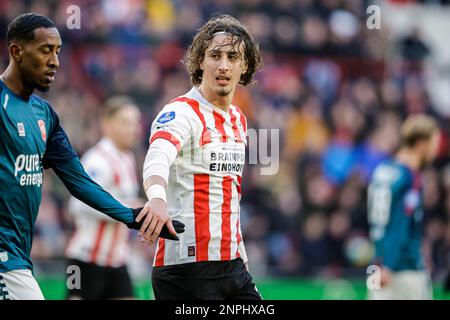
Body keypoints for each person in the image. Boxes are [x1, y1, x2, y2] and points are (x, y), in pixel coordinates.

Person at [0, 13, 182, 300]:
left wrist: (134, 217)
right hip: (43, 260)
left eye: (58, 52)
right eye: (46, 50)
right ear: (16, 51)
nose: (55, 62)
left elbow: (79, 183)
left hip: (25, 257)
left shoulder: (44, 115)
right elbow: (78, 205)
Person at [136, 14, 263, 300]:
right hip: (186, 268)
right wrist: (156, 197)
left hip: (232, 265)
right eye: (215, 55)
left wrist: (239, 249)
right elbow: (158, 157)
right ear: (199, 62)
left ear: (245, 66)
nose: (223, 65)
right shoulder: (180, 112)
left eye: (233, 57)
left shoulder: (238, 120)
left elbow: (229, 191)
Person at [65, 96, 143, 300]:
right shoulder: (96, 159)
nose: (133, 128)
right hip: (86, 260)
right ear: (107, 125)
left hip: (117, 260)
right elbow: (78, 205)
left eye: (135, 122)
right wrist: (128, 211)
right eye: (125, 122)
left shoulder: (127, 158)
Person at [367, 114, 440, 300]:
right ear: (422, 143)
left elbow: (378, 222)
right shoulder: (411, 178)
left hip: (377, 264)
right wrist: (389, 265)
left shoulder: (382, 170)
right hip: (403, 269)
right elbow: (400, 223)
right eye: (434, 143)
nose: (436, 150)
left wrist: (379, 262)